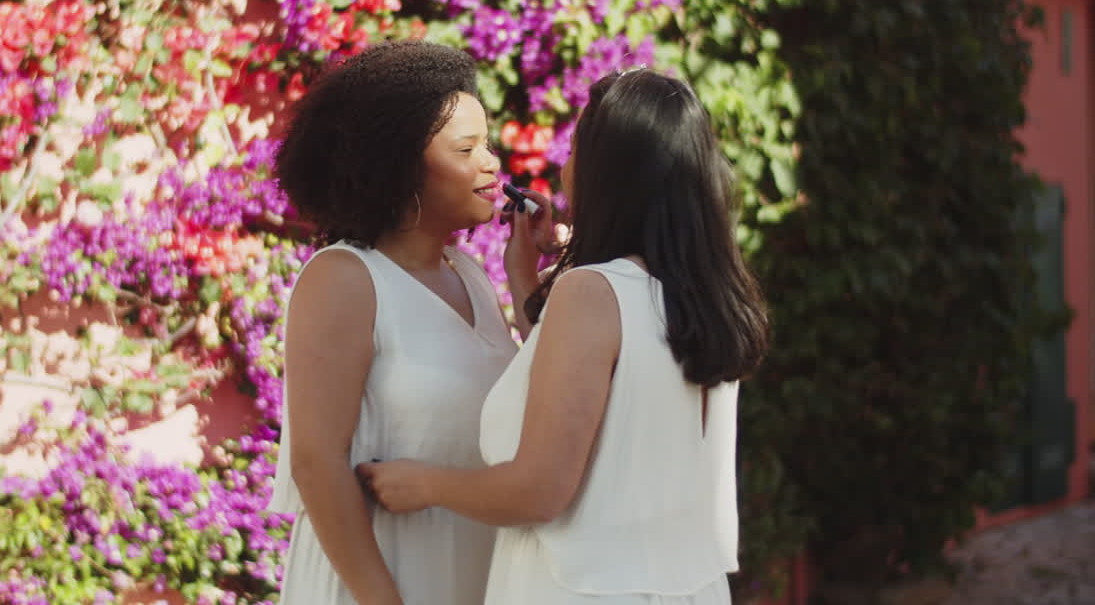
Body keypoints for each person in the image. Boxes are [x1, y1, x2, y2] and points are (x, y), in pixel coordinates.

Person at [358, 68, 770, 605]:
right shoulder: (704, 298)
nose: (564, 167)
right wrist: (524, 278)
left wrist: (423, 484)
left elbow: (539, 491)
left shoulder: (593, 293)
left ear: (610, 172)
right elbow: (592, 388)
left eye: (575, 151)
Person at [268, 41, 519, 605]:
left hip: (470, 574)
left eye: (489, 144)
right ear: (402, 164)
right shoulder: (345, 278)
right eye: (466, 149)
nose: (491, 162)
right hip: (380, 583)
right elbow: (316, 463)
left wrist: (528, 283)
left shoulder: (473, 276)